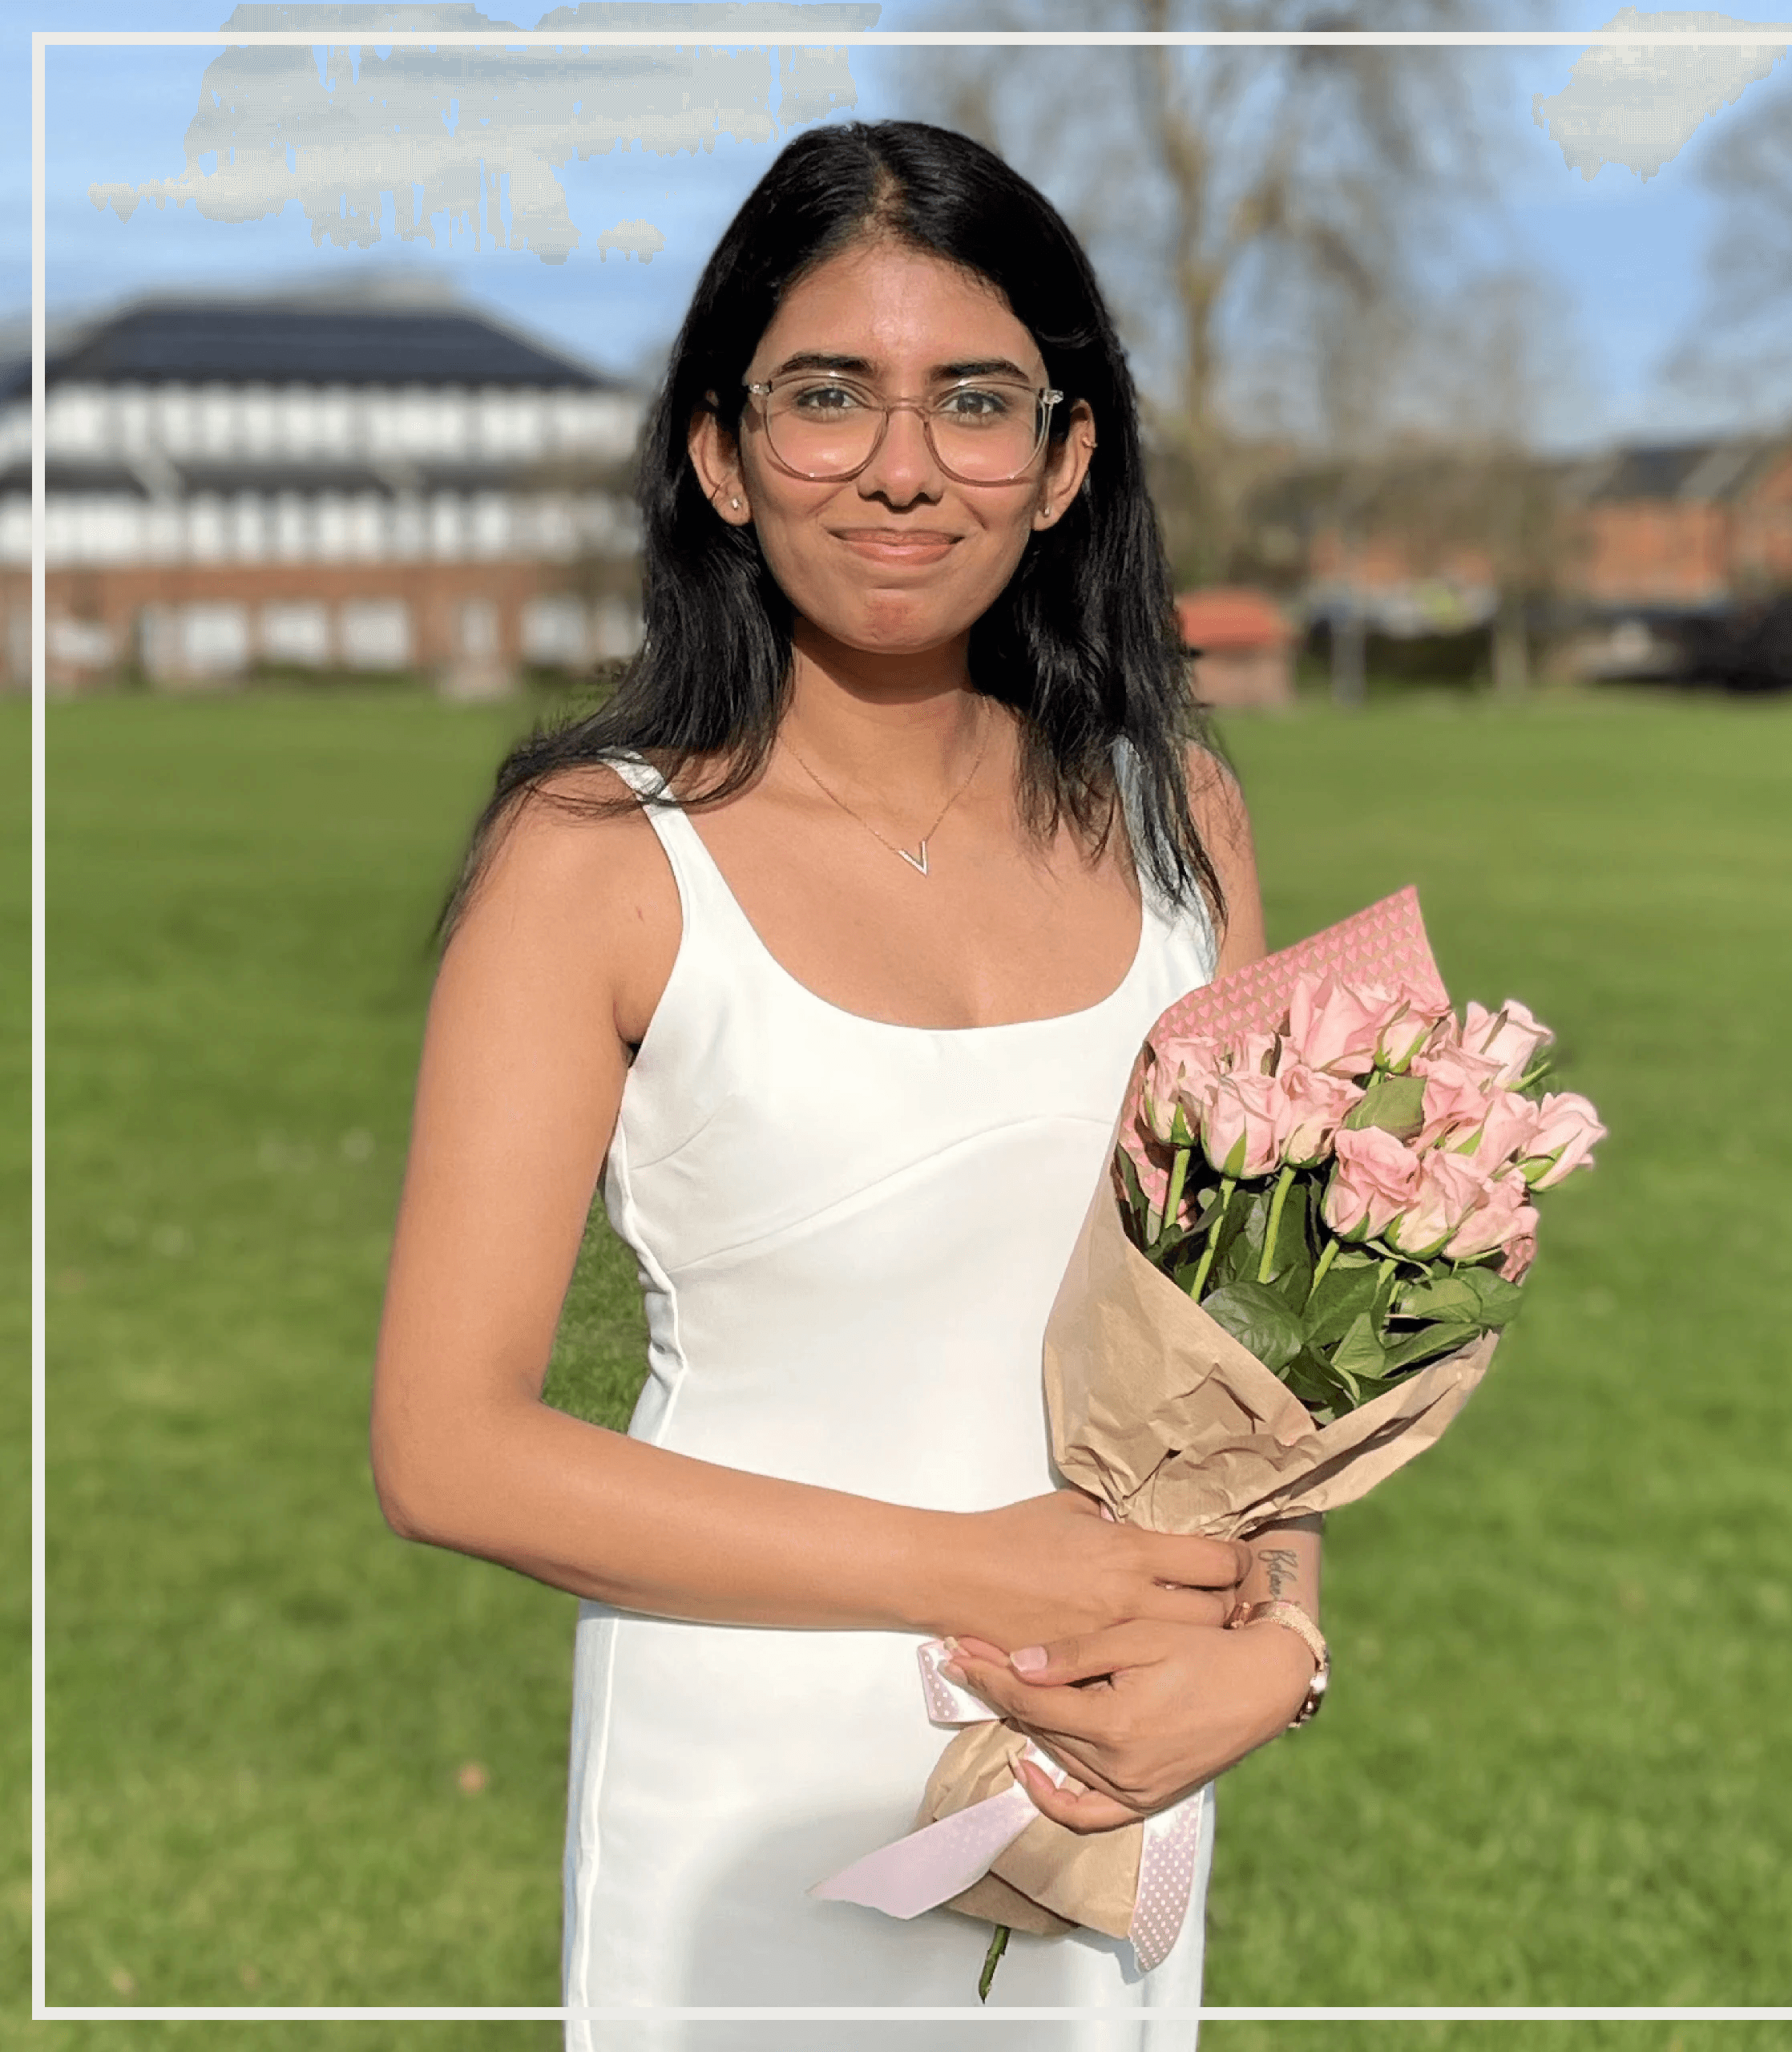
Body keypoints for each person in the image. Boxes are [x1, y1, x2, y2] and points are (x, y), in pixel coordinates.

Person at [369, 119, 1323, 2048]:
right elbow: (446, 1444)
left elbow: (1264, 1342)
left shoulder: (1182, 820)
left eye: (977, 400)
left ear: (1066, 458)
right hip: (747, 1792)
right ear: (721, 451)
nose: (903, 464)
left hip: (1106, 1759)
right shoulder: (595, 857)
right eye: (830, 396)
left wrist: (1283, 1644)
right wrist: (972, 1565)